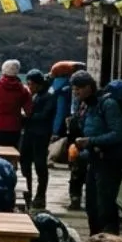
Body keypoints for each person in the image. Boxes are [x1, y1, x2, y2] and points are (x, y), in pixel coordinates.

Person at [70, 72, 122, 237]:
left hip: (110, 160)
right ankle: (94, 241)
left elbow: (118, 133)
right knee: (91, 205)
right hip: (94, 160)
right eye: (74, 89)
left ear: (89, 87)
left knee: (105, 206)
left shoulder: (108, 104)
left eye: (78, 89)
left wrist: (91, 141)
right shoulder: (86, 105)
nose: (76, 93)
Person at [51, 61, 86, 210]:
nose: (76, 92)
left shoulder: (59, 87)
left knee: (76, 166)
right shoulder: (69, 89)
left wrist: (56, 130)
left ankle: (75, 198)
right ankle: (77, 197)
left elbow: (60, 112)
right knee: (79, 167)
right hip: (82, 134)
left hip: (75, 133)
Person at [20, 70, 55, 209]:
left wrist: (27, 118)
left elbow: (45, 115)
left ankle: (40, 196)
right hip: (29, 133)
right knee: (25, 162)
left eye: (30, 84)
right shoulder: (34, 96)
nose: (28, 87)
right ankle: (27, 191)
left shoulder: (49, 97)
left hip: (41, 134)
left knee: (40, 165)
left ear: (37, 84)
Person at [0, 60, 32, 150]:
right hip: (14, 127)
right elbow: (29, 111)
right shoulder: (23, 89)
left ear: (3, 70)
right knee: (13, 154)